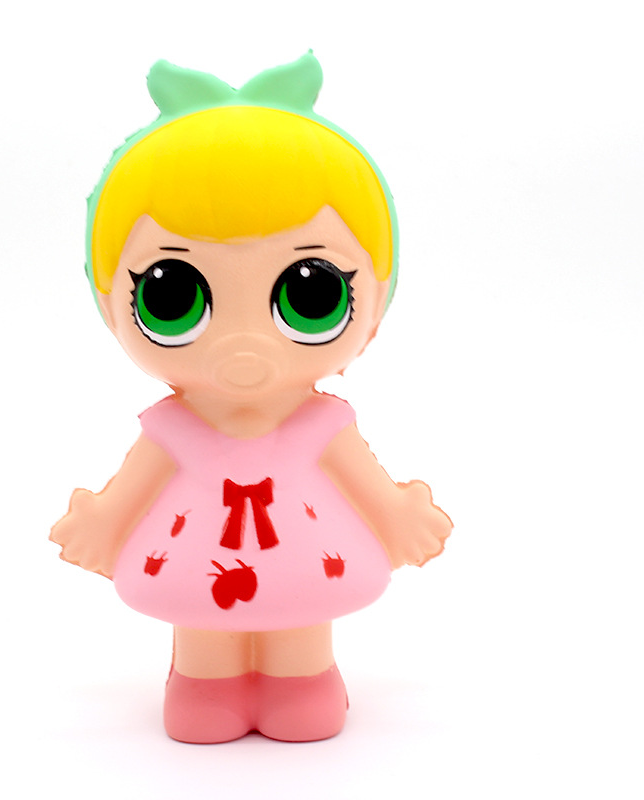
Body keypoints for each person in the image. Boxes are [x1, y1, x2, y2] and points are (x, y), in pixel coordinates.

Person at [51, 53, 452, 743]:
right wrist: (102, 523)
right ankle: (206, 686)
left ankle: (303, 682)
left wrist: (399, 516)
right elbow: (132, 487)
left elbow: (367, 483)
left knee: (302, 622)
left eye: (311, 292)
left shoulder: (323, 423)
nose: (244, 345)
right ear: (110, 301)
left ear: (377, 293)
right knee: (204, 631)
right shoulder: (173, 428)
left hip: (306, 551)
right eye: (171, 295)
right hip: (194, 553)